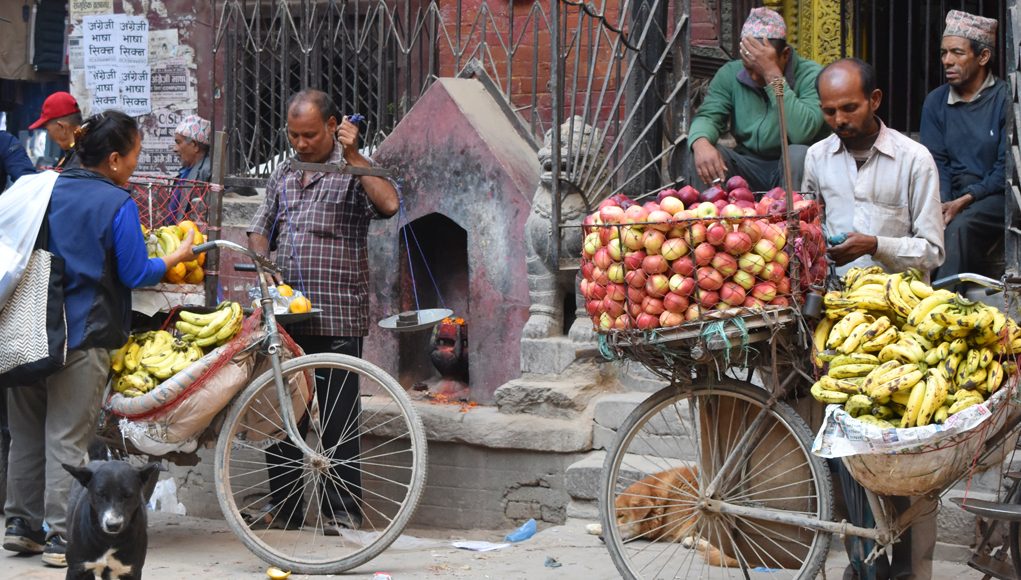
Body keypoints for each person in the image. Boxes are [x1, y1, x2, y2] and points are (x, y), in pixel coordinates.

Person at [1, 111, 195, 568]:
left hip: (24, 327)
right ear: (112, 159)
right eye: (134, 155)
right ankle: (61, 536)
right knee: (67, 438)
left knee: (26, 433)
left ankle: (20, 525)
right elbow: (134, 272)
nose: (133, 164)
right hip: (81, 334)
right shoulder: (116, 203)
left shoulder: (40, 187)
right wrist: (173, 258)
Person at [803, 58, 944, 580]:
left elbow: (932, 251)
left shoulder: (914, 159)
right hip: (840, 323)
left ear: (876, 100)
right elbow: (808, 231)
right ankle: (865, 558)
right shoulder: (817, 157)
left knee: (904, 448)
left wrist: (876, 245)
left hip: (900, 321)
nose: (838, 119)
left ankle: (909, 564)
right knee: (846, 445)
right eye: (829, 110)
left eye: (849, 107)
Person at [247, 89, 399, 533]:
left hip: (337, 313)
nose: (300, 144)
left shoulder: (353, 170)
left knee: (337, 419)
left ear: (334, 126)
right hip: (289, 317)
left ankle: (341, 510)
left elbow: (389, 204)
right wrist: (265, 263)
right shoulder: (284, 172)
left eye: (309, 135)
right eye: (293, 135)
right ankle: (287, 508)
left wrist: (354, 156)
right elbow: (259, 229)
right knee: (284, 415)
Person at [689, 7, 827, 192]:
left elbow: (802, 132)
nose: (754, 76)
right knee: (703, 154)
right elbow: (708, 116)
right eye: (749, 67)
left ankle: (794, 218)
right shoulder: (730, 73)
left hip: (790, 168)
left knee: (798, 154)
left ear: (785, 54)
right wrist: (700, 142)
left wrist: (773, 77)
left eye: (761, 67)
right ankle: (712, 219)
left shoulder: (812, 75)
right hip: (747, 164)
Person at [920, 10, 1007, 281]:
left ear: (983, 57)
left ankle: (942, 307)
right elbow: (936, 163)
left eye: (957, 53)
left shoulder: (1005, 99)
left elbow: (1006, 168)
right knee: (926, 223)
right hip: (951, 194)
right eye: (944, 53)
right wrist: (943, 203)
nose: (947, 61)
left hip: (993, 196)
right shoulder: (935, 102)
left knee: (960, 227)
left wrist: (965, 199)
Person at [166, 114, 213, 224]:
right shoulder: (185, 171)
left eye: (178, 142)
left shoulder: (208, 171)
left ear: (195, 145)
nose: (175, 149)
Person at [28, 91, 83, 170]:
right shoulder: (78, 149)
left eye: (48, 130)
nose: (49, 137)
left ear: (62, 127)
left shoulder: (84, 157)